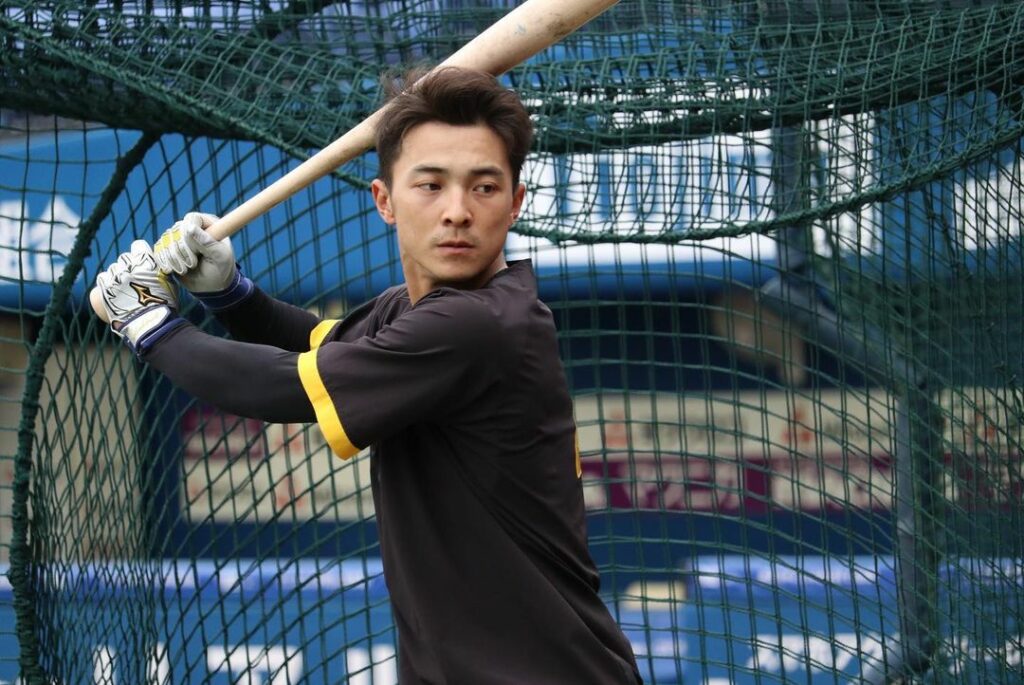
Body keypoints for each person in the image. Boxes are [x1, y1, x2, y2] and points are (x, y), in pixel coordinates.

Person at [94, 66, 643, 684]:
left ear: (515, 204)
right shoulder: (415, 312)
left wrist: (146, 322)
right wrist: (228, 291)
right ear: (385, 200)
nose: (457, 212)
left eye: (484, 187)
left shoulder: (480, 325)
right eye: (430, 185)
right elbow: (314, 346)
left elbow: (282, 386)